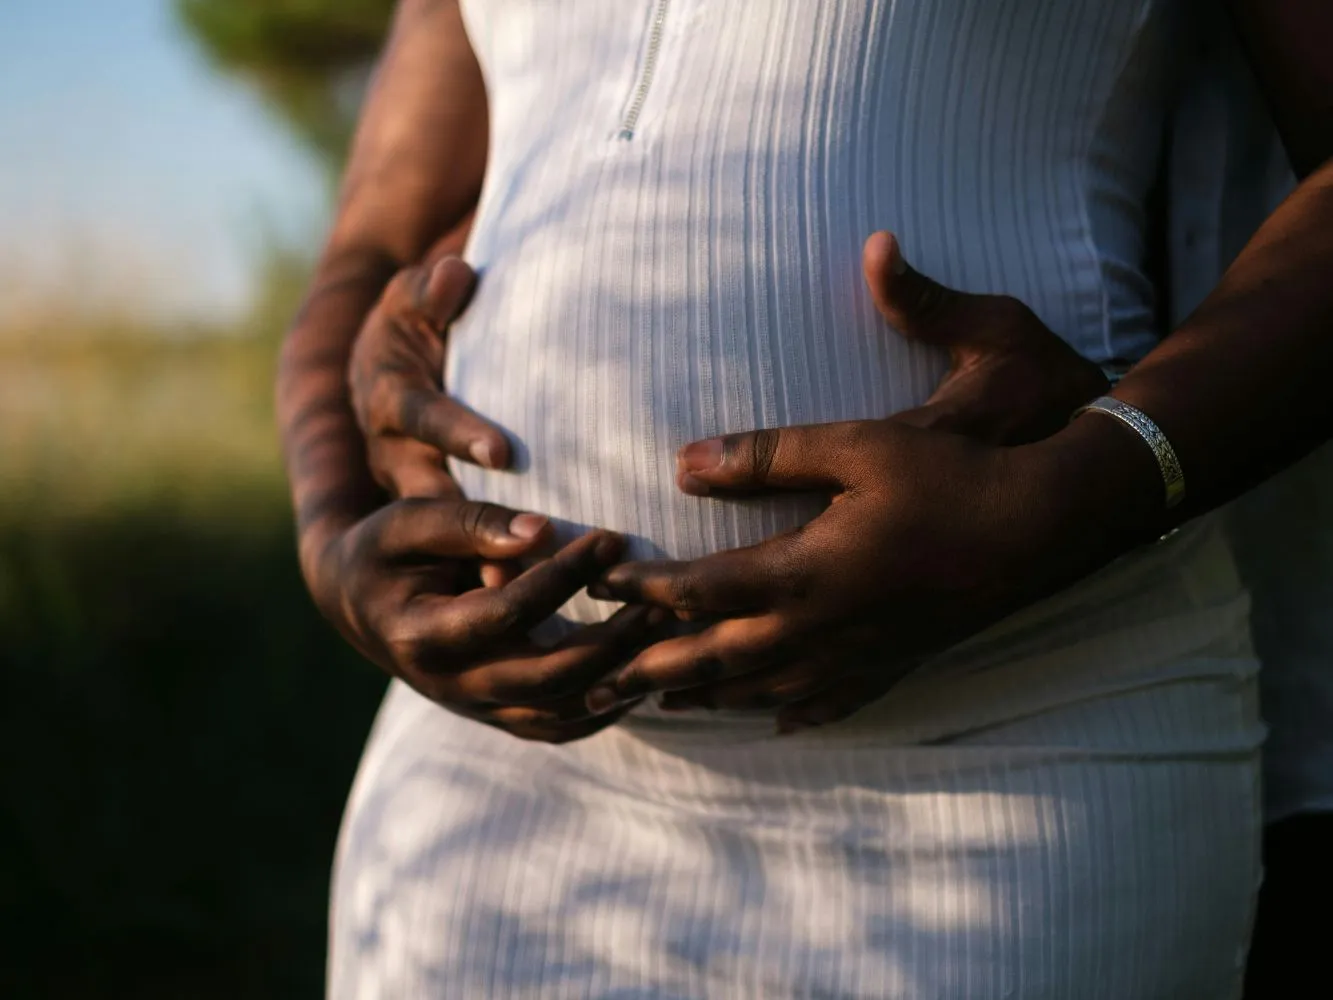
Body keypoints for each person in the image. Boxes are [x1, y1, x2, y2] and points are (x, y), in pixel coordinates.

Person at [276, 1, 1333, 996]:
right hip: (491, 778)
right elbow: (371, 242)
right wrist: (332, 534)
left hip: (1016, 748)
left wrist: (1077, 491)